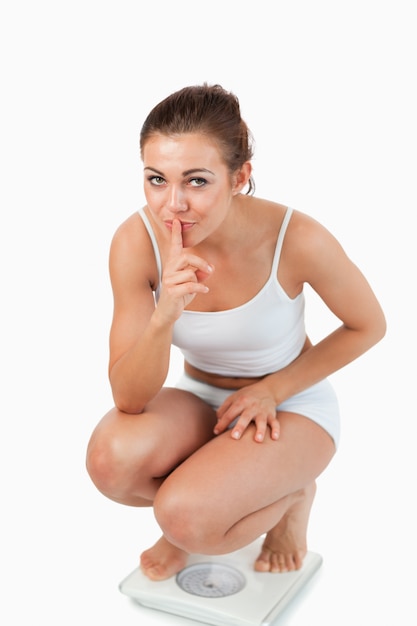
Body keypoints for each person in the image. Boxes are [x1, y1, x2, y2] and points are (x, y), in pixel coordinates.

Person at [86, 84, 386, 580]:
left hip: (290, 405)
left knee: (186, 517)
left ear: (239, 177)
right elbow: (129, 398)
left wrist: (272, 390)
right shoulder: (135, 241)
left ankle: (290, 496)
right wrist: (165, 316)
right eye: (157, 179)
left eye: (197, 182)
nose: (173, 205)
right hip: (199, 398)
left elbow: (368, 325)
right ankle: (209, 499)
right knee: (110, 462)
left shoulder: (298, 237)